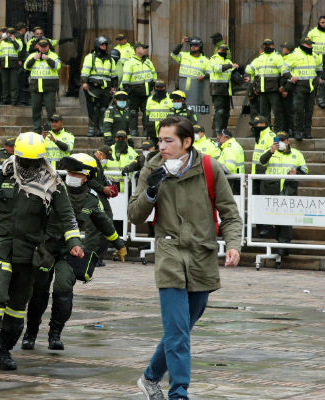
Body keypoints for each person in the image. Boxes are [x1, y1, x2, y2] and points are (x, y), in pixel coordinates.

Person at [128, 116, 242, 400]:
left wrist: (233, 245)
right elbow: (134, 215)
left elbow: (229, 213)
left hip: (201, 256)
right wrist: (151, 192)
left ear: (187, 142)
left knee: (181, 328)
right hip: (168, 256)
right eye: (159, 140)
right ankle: (179, 393)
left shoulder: (208, 167)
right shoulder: (152, 167)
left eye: (169, 141)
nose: (162, 146)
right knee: (178, 333)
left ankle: (150, 377)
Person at [0, 131, 81, 372]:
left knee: (17, 306)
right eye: (24, 160)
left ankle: (5, 350)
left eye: (33, 161)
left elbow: (66, 215)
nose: (28, 165)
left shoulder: (51, 181)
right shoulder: (2, 175)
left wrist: (75, 243)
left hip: (29, 251)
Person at [21, 153, 126, 351]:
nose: (71, 176)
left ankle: (55, 334)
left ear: (86, 176)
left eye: (76, 173)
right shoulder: (52, 190)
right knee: (39, 292)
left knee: (63, 290)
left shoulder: (91, 201)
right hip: (45, 248)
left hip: (70, 250)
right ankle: (31, 333)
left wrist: (120, 244)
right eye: (69, 172)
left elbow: (105, 224)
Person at [258, 131, 308, 256]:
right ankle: (281, 244)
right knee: (277, 217)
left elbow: (305, 171)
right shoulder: (271, 152)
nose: (279, 142)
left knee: (286, 218)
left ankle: (283, 244)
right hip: (272, 189)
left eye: (282, 140)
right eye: (277, 140)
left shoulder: (297, 154)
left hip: (288, 189)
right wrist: (271, 151)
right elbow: (261, 161)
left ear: (288, 141)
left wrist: (296, 173)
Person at [244, 39, 289, 131]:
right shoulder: (260, 58)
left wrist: (285, 85)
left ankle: (277, 130)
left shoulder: (277, 57)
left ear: (273, 46)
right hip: (262, 91)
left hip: (274, 90)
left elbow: (285, 72)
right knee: (264, 114)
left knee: (277, 112)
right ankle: (267, 131)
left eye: (269, 45)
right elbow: (248, 69)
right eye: (265, 45)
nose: (267, 47)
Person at [286, 37, 322, 140]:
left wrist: (318, 78)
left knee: (309, 111)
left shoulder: (315, 56)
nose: (310, 46)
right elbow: (284, 68)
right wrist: (290, 77)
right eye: (308, 45)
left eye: (311, 44)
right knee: (298, 110)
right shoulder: (294, 55)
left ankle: (307, 132)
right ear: (302, 44)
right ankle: (297, 132)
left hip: (311, 88)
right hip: (299, 87)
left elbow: (319, 68)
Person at [81, 36, 117, 137]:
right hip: (93, 87)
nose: (104, 46)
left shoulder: (110, 59)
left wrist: (114, 86)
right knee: (93, 108)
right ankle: (92, 128)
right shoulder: (90, 57)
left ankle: (100, 127)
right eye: (102, 45)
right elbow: (85, 71)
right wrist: (84, 82)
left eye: (105, 45)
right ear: (97, 45)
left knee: (103, 109)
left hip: (106, 88)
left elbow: (113, 74)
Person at [24, 38, 61, 133]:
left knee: (50, 110)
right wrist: (34, 59)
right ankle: (37, 129)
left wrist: (48, 59)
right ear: (38, 46)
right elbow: (26, 66)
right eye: (41, 47)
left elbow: (58, 66)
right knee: (36, 110)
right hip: (35, 88)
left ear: (48, 46)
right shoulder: (33, 55)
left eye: (45, 46)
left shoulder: (53, 55)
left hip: (49, 88)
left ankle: (51, 129)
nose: (43, 49)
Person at [89, 145, 119, 265]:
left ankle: (98, 255)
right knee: (95, 227)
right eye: (106, 156)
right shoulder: (91, 162)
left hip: (100, 196)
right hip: (94, 196)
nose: (106, 159)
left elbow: (98, 179)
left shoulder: (97, 163)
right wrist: (103, 188)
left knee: (107, 223)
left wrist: (107, 184)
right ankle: (92, 256)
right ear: (101, 153)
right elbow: (90, 181)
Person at [122, 41, 157, 137]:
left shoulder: (148, 62)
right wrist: (126, 89)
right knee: (133, 112)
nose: (145, 50)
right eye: (143, 48)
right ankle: (133, 130)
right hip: (134, 93)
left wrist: (155, 85)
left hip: (146, 92)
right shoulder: (130, 63)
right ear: (137, 49)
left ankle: (146, 130)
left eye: (146, 48)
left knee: (147, 112)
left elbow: (154, 74)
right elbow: (126, 78)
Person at [210, 43, 239, 136]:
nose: (223, 52)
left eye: (225, 50)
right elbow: (218, 69)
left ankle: (223, 131)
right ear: (218, 50)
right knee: (220, 111)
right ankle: (216, 131)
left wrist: (240, 74)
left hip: (227, 90)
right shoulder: (214, 59)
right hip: (217, 89)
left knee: (226, 112)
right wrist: (231, 66)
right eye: (222, 50)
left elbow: (232, 73)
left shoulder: (228, 60)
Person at [307, 16, 325, 107]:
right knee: (314, 79)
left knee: (324, 80)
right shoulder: (312, 32)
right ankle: (313, 98)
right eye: (322, 22)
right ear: (319, 22)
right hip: (314, 59)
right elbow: (306, 45)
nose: (324, 24)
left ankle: (321, 99)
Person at [0, 27, 23, 105]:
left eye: (12, 33)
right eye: (9, 33)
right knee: (5, 83)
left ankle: (14, 99)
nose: (10, 35)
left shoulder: (18, 41)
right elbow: (0, 53)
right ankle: (5, 99)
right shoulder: (3, 42)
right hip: (4, 64)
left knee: (14, 83)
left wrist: (13, 41)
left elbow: (19, 49)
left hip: (13, 65)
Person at [216, 129, 245, 195]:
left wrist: (216, 167)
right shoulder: (235, 145)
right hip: (237, 180)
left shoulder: (229, 148)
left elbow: (228, 168)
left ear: (225, 137)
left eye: (220, 135)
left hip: (231, 182)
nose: (218, 137)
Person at [280, 42, 297, 136]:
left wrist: (285, 89)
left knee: (289, 111)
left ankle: (293, 130)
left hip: (290, 89)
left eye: (284, 48)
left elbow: (290, 76)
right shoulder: (284, 58)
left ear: (288, 50)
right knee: (284, 111)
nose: (282, 49)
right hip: (285, 88)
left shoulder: (291, 59)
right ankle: (286, 130)